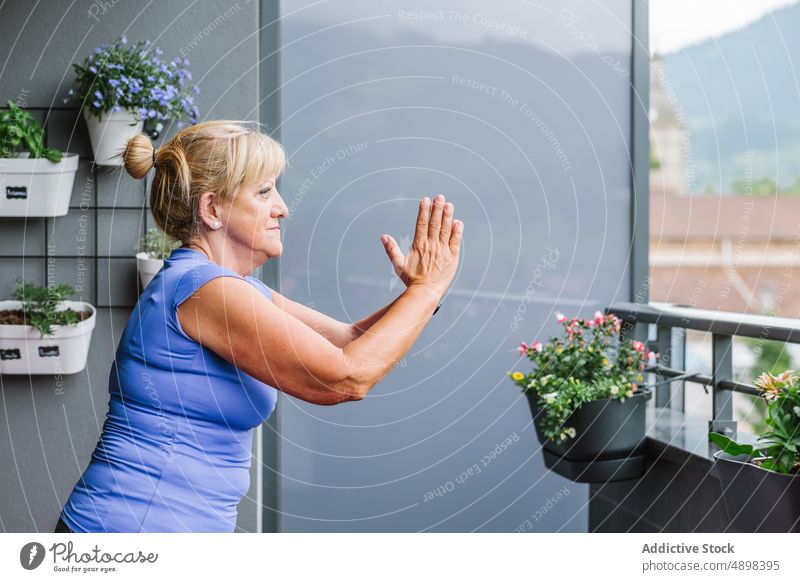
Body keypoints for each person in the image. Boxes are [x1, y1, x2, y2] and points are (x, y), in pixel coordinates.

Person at [54, 120, 463, 533]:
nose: (282, 207)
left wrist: (422, 293)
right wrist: (426, 291)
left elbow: (350, 341)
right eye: (264, 192)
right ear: (212, 209)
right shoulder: (203, 289)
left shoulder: (233, 288)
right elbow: (344, 378)